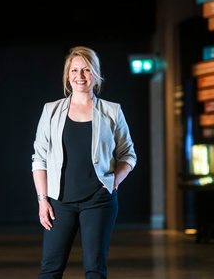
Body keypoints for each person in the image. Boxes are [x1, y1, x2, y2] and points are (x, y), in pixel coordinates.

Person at [31, 46, 137, 279]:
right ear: (68, 76)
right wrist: (42, 201)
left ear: (95, 75)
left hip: (99, 200)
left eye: (86, 70)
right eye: (75, 70)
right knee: (50, 269)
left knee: (95, 270)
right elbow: (39, 158)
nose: (80, 76)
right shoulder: (51, 111)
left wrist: (113, 182)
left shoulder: (112, 111)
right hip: (59, 202)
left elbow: (128, 154)